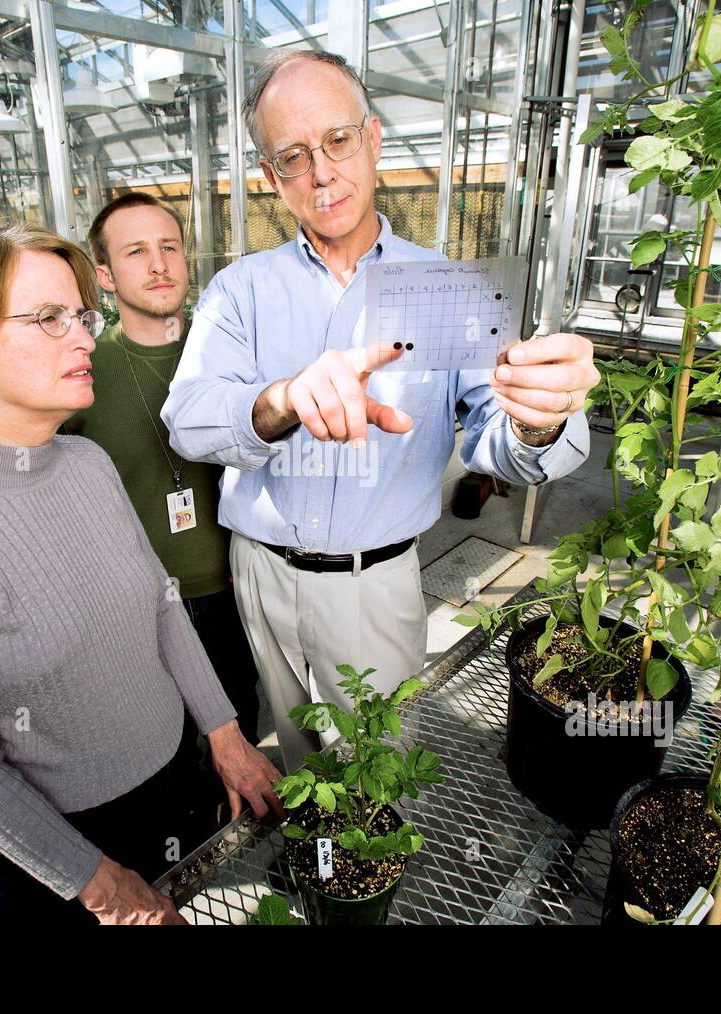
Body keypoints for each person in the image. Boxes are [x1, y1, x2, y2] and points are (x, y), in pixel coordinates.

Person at [160, 50, 602, 773]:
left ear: (373, 140)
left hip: (376, 584)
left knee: (377, 771)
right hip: (262, 575)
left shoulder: (450, 289)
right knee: (301, 758)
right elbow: (189, 418)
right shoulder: (240, 291)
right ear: (272, 179)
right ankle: (318, 876)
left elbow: (500, 436)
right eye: (293, 156)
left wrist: (537, 417)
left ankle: (364, 884)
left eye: (336, 141)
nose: (321, 172)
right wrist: (281, 401)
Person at [0, 223, 281, 926]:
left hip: (171, 786)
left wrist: (225, 736)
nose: (84, 337)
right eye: (49, 319)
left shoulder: (87, 464)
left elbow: (162, 606)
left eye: (82, 315)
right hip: (50, 854)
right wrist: (101, 886)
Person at [64, 193, 261, 754]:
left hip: (236, 590)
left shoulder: (230, 354)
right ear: (104, 275)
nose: (159, 264)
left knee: (241, 731)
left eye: (169, 247)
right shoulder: (82, 374)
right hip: (140, 609)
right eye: (136, 252)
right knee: (165, 752)